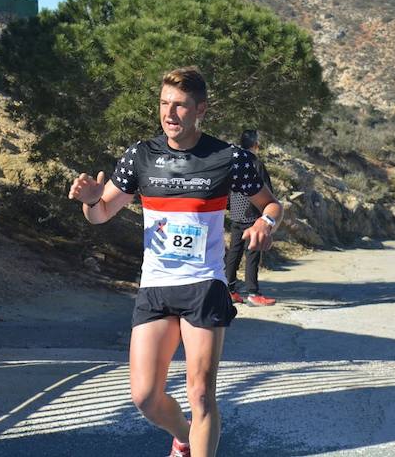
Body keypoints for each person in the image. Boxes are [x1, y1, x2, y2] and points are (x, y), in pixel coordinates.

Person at [68, 67, 283, 457]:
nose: (170, 113)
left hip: (204, 285)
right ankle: (184, 436)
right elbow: (100, 215)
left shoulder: (228, 158)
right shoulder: (141, 155)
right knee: (145, 396)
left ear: (200, 109)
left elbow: (270, 204)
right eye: (164, 103)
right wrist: (90, 200)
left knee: (201, 393)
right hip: (156, 286)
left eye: (180, 105)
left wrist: (265, 224)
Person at [224, 130, 277, 306]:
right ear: (256, 145)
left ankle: (229, 290)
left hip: (236, 214)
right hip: (253, 215)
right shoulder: (256, 163)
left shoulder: (233, 160)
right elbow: (267, 193)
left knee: (234, 252)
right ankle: (253, 293)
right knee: (253, 253)